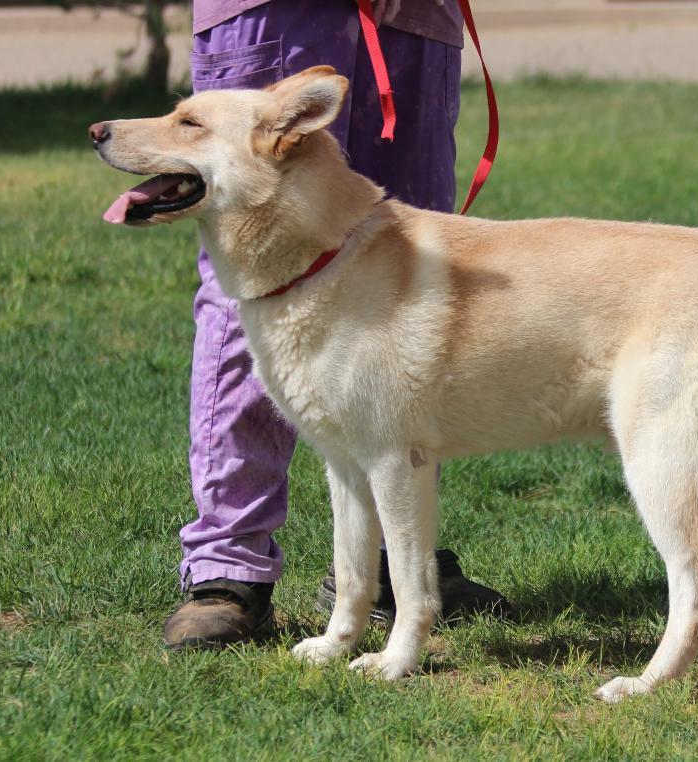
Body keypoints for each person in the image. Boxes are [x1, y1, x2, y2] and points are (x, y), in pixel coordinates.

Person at [162, 0, 509, 650]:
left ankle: (382, 565)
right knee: (257, 258)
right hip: (280, 12)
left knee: (412, 265)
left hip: (418, 15)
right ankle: (227, 567)